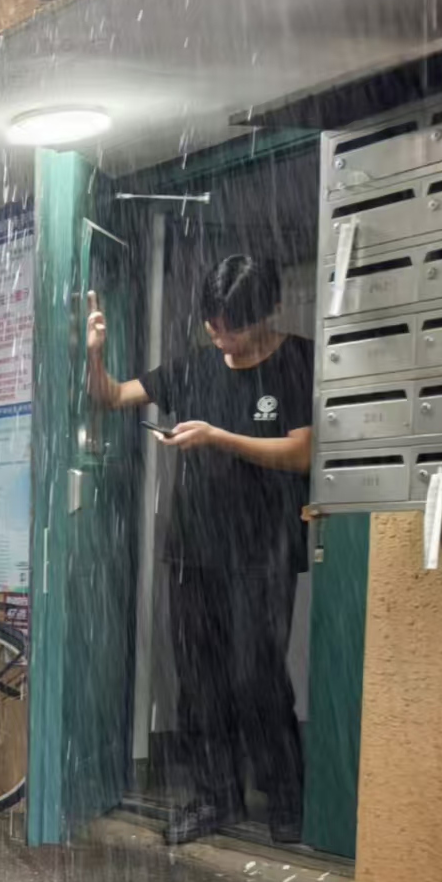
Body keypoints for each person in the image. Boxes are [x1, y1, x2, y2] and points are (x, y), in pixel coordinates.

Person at [86, 255, 312, 846]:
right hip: (193, 551)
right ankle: (216, 796)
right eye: (212, 326)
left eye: (229, 328)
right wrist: (93, 351)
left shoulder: (296, 362)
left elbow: (302, 453)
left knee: (258, 677)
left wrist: (216, 436)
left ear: (265, 313)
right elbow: (111, 397)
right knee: (199, 679)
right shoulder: (193, 367)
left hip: (264, 551)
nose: (220, 339)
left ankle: (287, 798)